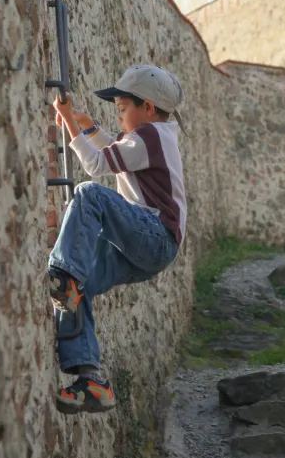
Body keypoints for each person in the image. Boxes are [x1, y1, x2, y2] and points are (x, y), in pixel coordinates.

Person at [49, 65, 187, 414]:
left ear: (149, 109)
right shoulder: (156, 136)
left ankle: (63, 275)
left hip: (152, 235)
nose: (120, 116)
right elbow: (119, 150)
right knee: (77, 290)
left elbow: (97, 166)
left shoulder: (149, 137)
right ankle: (90, 379)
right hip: (150, 247)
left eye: (123, 109)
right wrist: (89, 127)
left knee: (88, 194)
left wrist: (67, 122)